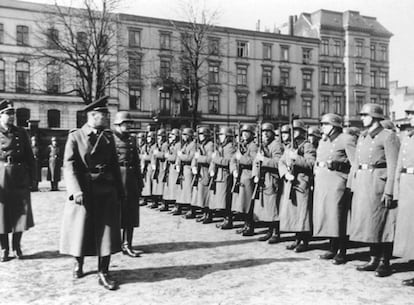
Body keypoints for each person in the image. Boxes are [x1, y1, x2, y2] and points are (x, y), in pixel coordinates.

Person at [60, 96, 124, 290]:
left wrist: (120, 190)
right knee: (81, 229)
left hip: (106, 189)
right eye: (104, 114)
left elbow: (114, 165)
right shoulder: (76, 136)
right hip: (84, 191)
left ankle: (103, 272)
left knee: (107, 232)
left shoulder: (107, 137)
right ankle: (78, 263)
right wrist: (75, 190)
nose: (107, 117)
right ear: (93, 115)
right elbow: (69, 166)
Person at [349, 103, 400, 277]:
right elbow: (356, 163)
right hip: (364, 183)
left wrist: (390, 190)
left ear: (375, 117)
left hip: (379, 184)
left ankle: (385, 262)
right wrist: (352, 185)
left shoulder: (388, 136)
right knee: (370, 223)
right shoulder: (363, 137)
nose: (362, 118)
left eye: (365, 115)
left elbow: (393, 166)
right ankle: (373, 258)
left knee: (383, 222)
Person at [313, 113, 355, 265]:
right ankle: (332, 247)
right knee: (327, 215)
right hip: (323, 181)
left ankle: (342, 251)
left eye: (325, 124)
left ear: (334, 126)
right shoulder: (323, 141)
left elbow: (354, 163)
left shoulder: (346, 139)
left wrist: (350, 183)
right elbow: (318, 160)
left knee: (338, 216)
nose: (322, 127)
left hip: (338, 180)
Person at [0, 100, 34, 262]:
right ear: (0, 115)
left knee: (21, 212)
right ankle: (4, 249)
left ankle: (17, 247)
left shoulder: (21, 132)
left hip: (20, 174)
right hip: (2, 175)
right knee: (2, 214)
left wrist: (33, 179)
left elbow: (30, 156)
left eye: (13, 114)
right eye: (8, 113)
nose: (11, 117)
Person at [279, 119, 316, 252]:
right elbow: (281, 162)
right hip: (290, 182)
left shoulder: (307, 146)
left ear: (301, 132)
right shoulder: (289, 147)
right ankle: (297, 239)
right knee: (294, 212)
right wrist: (284, 174)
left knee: (302, 212)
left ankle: (304, 241)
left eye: (296, 130)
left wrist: (296, 158)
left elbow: (311, 164)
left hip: (302, 182)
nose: (293, 132)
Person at [113, 111, 144, 258]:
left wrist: (139, 181)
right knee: (116, 213)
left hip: (131, 178)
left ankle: (127, 244)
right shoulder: (111, 140)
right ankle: (115, 244)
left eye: (130, 123)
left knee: (131, 213)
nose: (129, 126)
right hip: (118, 178)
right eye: (126, 123)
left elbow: (136, 162)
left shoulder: (132, 140)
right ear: (118, 124)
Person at [252, 122, 284, 243]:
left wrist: (263, 160)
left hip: (272, 178)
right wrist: (255, 174)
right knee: (266, 207)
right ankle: (270, 231)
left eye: (267, 132)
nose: (265, 134)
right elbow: (256, 161)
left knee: (273, 206)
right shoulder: (263, 145)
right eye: (263, 132)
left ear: (272, 133)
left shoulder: (276, 145)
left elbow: (278, 163)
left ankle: (276, 232)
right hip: (263, 178)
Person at [393, 103, 414, 286]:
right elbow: (399, 165)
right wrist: (397, 188)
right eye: (410, 114)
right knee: (409, 228)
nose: (411, 118)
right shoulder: (407, 138)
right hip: (407, 185)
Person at [230, 124, 258, 236]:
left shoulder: (253, 146)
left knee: (248, 203)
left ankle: (250, 226)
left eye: (247, 132)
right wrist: (234, 170)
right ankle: (245, 225)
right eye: (243, 132)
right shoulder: (241, 145)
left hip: (248, 175)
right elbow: (233, 159)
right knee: (242, 203)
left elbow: (253, 161)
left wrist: (241, 158)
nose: (244, 134)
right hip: (240, 175)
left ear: (252, 134)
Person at [210, 127, 236, 229]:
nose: (220, 137)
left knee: (227, 199)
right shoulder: (222, 147)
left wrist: (216, 159)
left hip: (226, 175)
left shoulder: (230, 147)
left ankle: (228, 220)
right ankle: (225, 219)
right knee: (222, 200)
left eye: (222, 135)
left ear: (227, 137)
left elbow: (228, 162)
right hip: (219, 175)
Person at [191, 126, 214, 222]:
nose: (200, 136)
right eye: (199, 134)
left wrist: (199, 157)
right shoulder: (200, 145)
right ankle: (204, 213)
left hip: (206, 171)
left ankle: (208, 215)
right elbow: (194, 158)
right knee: (200, 195)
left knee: (206, 194)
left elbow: (210, 159)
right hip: (200, 172)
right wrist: (193, 166)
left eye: (202, 134)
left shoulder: (210, 145)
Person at [172, 128, 195, 216]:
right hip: (183, 169)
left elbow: (190, 157)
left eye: (185, 135)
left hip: (189, 169)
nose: (183, 137)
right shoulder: (185, 145)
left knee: (189, 191)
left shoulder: (193, 145)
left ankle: (191, 210)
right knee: (182, 190)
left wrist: (181, 156)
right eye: (183, 135)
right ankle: (181, 207)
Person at [162, 129, 181, 212]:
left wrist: (167, 156)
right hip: (169, 168)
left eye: (172, 135)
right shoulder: (171, 144)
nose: (171, 137)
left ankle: (177, 206)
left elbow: (174, 157)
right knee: (169, 188)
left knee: (175, 189)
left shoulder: (178, 145)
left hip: (174, 168)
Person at [151, 129, 168, 210]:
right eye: (158, 136)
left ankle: (164, 203)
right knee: (156, 185)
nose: (159, 138)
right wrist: (153, 163)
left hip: (163, 166)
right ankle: (156, 202)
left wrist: (158, 154)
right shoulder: (156, 145)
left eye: (160, 136)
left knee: (162, 186)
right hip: (157, 167)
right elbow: (152, 155)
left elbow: (166, 155)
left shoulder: (165, 145)